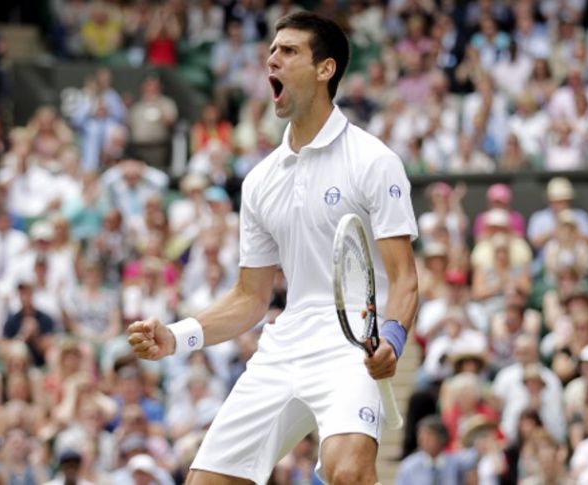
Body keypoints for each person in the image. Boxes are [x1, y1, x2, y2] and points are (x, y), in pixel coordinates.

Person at [127, 11, 419, 485]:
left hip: (352, 347)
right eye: (271, 52)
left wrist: (393, 337)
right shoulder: (260, 180)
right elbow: (250, 298)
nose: (272, 60)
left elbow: (405, 279)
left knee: (350, 473)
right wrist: (177, 337)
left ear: (326, 70)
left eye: (288, 51)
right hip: (284, 346)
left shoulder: (374, 161)